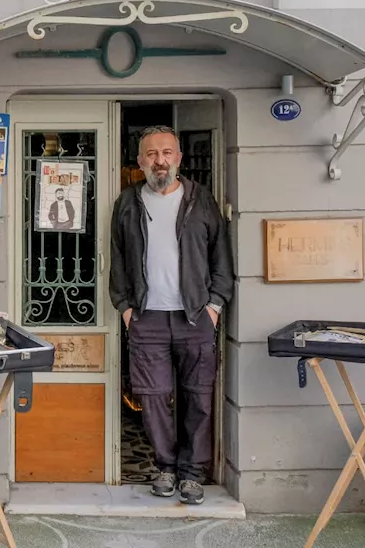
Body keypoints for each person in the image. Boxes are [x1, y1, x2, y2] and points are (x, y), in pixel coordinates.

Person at [109, 126, 234, 505]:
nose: (159, 160)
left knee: (197, 397)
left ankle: (191, 473)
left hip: (195, 317)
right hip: (147, 318)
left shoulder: (201, 200)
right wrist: (126, 309)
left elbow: (221, 258)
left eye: (166, 152)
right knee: (152, 397)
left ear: (178, 159)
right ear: (140, 160)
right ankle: (165, 465)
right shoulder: (128, 203)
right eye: (151, 153)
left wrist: (214, 305)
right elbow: (115, 258)